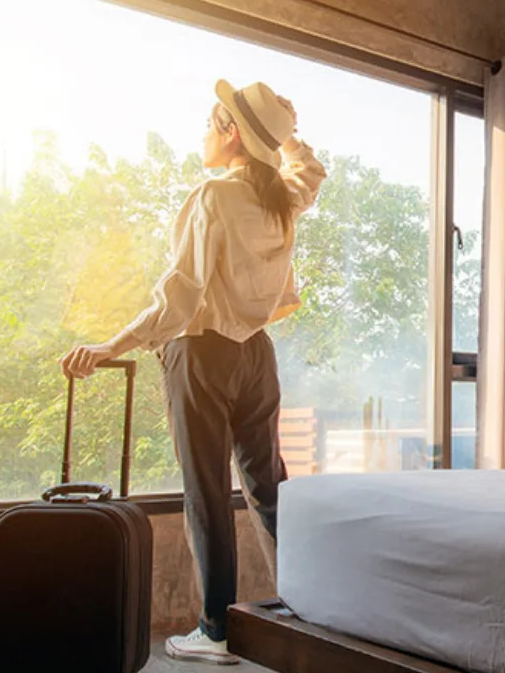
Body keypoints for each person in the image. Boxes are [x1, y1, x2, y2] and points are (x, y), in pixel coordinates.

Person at [61, 79, 327, 665]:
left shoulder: (213, 198)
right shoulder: (281, 198)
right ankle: (312, 613)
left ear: (231, 134)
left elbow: (179, 298)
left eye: (211, 124)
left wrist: (110, 345)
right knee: (269, 490)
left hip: (202, 355)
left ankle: (216, 632)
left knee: (207, 494)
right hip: (257, 357)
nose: (203, 135)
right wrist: (286, 134)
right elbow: (310, 171)